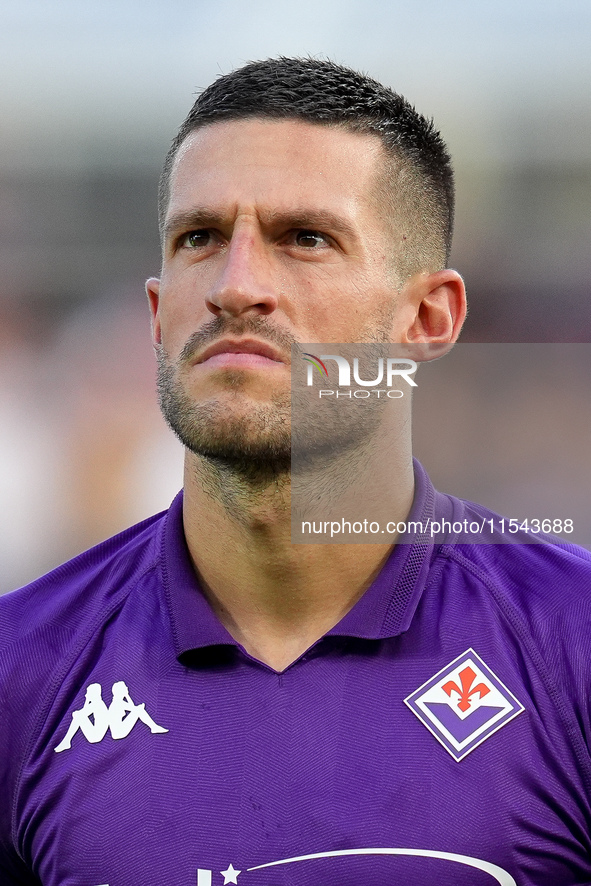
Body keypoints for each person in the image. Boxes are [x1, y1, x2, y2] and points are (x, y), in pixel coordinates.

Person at [1, 57, 590, 886]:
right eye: (199, 238)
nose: (235, 287)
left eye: (304, 238)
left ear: (426, 317)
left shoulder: (569, 643)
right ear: (156, 311)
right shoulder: (21, 668)